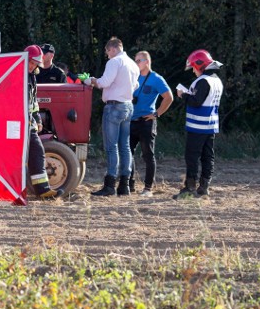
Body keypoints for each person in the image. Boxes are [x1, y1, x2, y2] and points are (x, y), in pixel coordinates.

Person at [85, 37, 140, 197]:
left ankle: (110, 184)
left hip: (114, 106)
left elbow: (105, 82)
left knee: (111, 147)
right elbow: (135, 85)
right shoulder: (132, 64)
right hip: (128, 105)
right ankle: (125, 185)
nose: (107, 55)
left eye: (107, 51)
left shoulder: (115, 62)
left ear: (113, 49)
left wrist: (90, 81)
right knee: (125, 146)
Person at [174, 49, 224, 199]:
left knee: (192, 156)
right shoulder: (217, 80)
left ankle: (190, 188)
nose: (193, 71)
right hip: (211, 125)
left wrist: (183, 94)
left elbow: (196, 101)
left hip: (198, 126)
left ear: (199, 65)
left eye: (193, 68)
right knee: (208, 156)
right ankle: (204, 186)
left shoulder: (203, 81)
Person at [128, 51, 173, 196]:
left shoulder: (156, 78)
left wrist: (157, 113)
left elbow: (169, 97)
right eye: (135, 61)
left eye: (138, 61)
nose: (136, 64)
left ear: (146, 62)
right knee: (127, 153)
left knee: (147, 154)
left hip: (146, 122)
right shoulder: (133, 76)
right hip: (131, 121)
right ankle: (130, 185)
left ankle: (148, 188)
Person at [24, 45, 60, 199]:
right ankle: (42, 189)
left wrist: (37, 120)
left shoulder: (31, 77)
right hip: (18, 123)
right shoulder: (17, 75)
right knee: (36, 151)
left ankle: (43, 189)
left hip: (28, 122)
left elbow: (33, 104)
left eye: (35, 64)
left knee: (37, 151)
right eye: (30, 62)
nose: (32, 66)